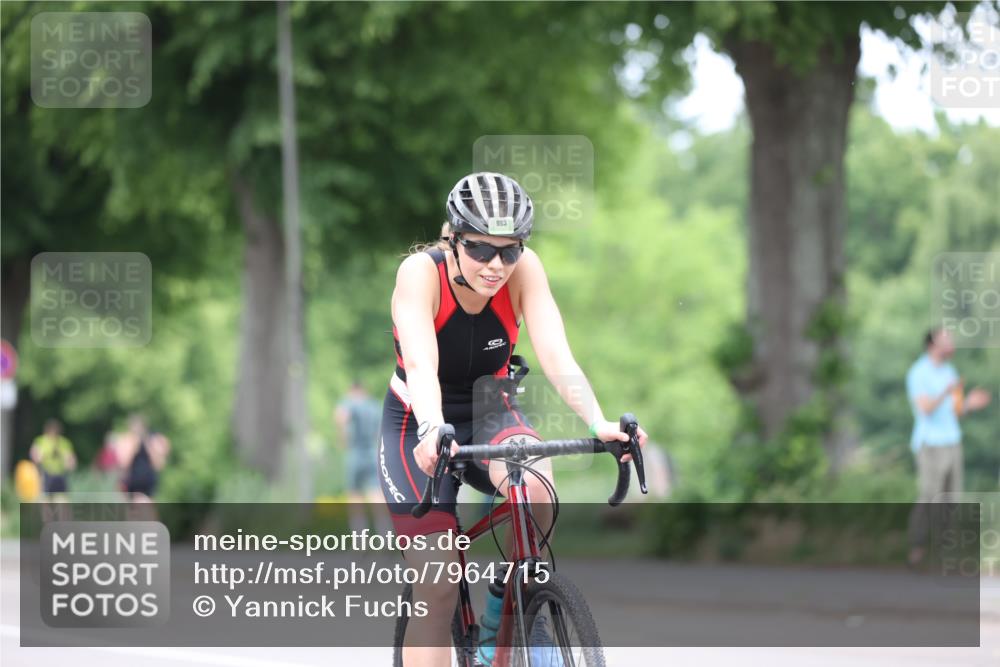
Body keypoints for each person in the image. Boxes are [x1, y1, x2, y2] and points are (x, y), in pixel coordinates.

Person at [379, 172, 647, 667]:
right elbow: (420, 363)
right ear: (454, 240)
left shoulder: (524, 272)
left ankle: (511, 594)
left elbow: (556, 353)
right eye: (480, 249)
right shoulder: (420, 273)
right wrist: (433, 429)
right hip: (418, 418)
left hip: (490, 407)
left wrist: (597, 421)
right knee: (437, 589)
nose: (496, 264)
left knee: (539, 490)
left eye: (510, 250)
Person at [906, 327, 991, 567]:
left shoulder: (950, 371)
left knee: (952, 499)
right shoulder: (918, 372)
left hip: (952, 440)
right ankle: (917, 550)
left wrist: (969, 404)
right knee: (929, 497)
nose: (951, 342)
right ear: (933, 344)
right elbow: (925, 408)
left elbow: (955, 411)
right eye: (946, 339)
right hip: (930, 444)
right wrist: (945, 391)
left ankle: (945, 552)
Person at [334, 380, 390, 533]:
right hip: (372, 453)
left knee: (354, 495)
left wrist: (343, 437)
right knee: (376, 493)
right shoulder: (374, 405)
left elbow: (341, 416)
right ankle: (384, 534)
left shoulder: (350, 403)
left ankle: (360, 537)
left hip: (355, 454)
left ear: (353, 390)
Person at [119, 415, 171, 502]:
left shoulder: (153, 439)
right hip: (132, 484)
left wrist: (149, 446)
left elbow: (159, 465)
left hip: (146, 485)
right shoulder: (128, 440)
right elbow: (124, 463)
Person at [29, 419, 76, 499]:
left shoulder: (64, 442)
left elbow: (71, 458)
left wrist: (70, 464)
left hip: (61, 473)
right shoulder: (41, 441)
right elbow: (34, 454)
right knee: (45, 497)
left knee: (61, 498)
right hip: (46, 472)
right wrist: (38, 459)